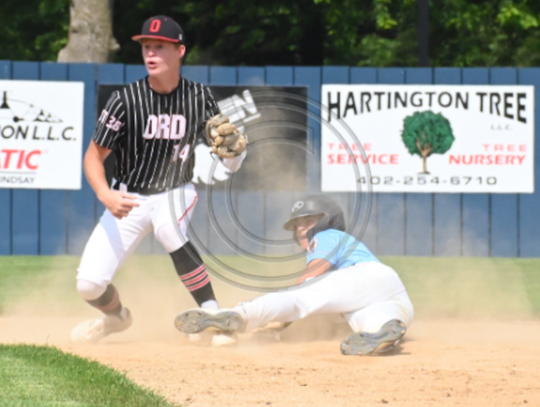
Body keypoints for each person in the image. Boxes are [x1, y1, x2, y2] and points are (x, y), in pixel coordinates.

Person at [70, 15, 247, 343]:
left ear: (180, 51)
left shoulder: (198, 97)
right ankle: (117, 317)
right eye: (146, 47)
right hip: (128, 199)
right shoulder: (126, 100)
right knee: (89, 285)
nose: (151, 53)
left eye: (160, 47)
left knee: (169, 228)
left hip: (175, 190)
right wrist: (105, 194)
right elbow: (94, 157)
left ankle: (212, 313)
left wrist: (235, 153)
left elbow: (230, 159)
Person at [174, 195, 414, 355]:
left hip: (363, 277)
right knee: (371, 322)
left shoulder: (327, 235)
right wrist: (277, 328)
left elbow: (311, 279)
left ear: (328, 220)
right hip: (391, 294)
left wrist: (275, 319)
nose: (301, 228)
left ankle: (238, 314)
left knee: (300, 295)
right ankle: (383, 333)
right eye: (298, 224)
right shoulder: (345, 247)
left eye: (308, 221)